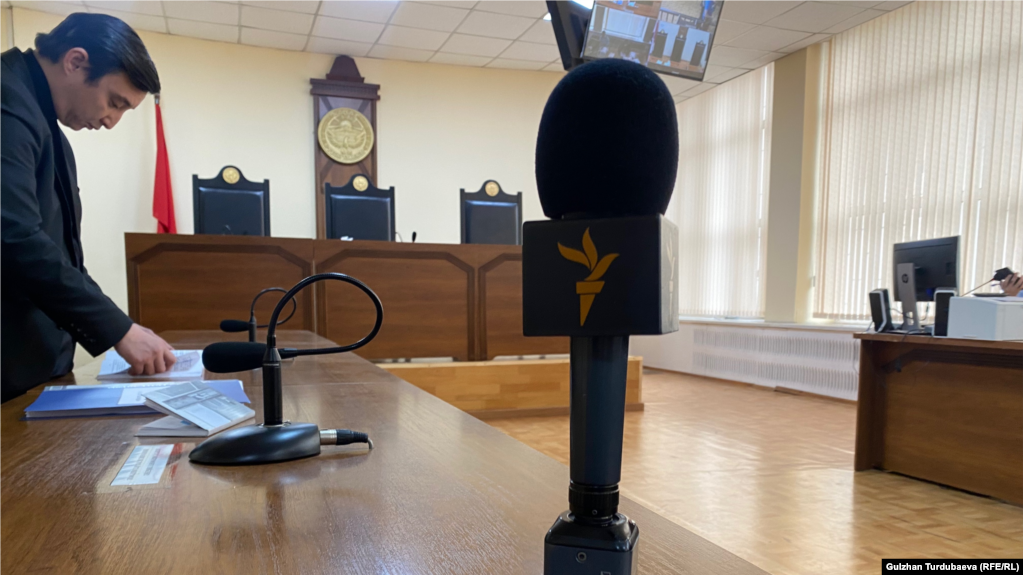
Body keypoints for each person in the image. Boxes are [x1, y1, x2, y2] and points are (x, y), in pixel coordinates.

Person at [0, 13, 176, 404]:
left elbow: (64, 255)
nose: (112, 122)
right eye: (115, 102)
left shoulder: (42, 117)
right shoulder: (7, 99)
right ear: (75, 62)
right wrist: (117, 331)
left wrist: (124, 326)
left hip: (32, 367)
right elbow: (14, 238)